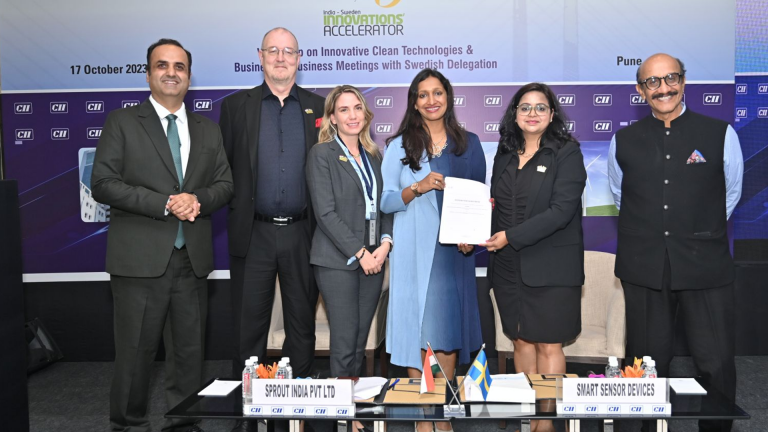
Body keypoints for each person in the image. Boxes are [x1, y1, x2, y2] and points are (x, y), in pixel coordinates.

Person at [91, 38, 234, 432]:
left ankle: (184, 423)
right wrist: (165, 202)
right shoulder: (122, 122)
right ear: (148, 74)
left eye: (179, 67)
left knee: (189, 355)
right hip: (138, 261)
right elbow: (102, 182)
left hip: (192, 260)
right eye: (162, 65)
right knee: (135, 355)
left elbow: (225, 185)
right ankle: (128, 425)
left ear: (189, 76)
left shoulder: (208, 129)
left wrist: (197, 199)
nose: (172, 73)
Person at [608, 53, 743, 432]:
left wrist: (697, 229)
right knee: (645, 363)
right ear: (640, 90)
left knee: (715, 362)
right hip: (644, 268)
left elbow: (730, 193)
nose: (663, 88)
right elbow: (621, 196)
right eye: (652, 82)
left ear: (683, 81)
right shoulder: (623, 140)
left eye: (670, 79)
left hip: (705, 265)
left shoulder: (721, 134)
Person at [218, 28, 325, 381]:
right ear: (260, 56)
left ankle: (296, 402)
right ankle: (250, 404)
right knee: (248, 330)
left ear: (299, 58)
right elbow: (222, 170)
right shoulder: (236, 107)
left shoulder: (319, 107)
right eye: (273, 50)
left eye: (288, 51)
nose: (281, 58)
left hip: (303, 233)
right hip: (254, 233)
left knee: (301, 328)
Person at [380, 68, 484, 432]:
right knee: (417, 334)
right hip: (412, 251)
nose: (431, 100)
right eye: (422, 94)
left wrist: (471, 235)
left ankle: (443, 416)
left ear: (448, 97)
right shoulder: (399, 146)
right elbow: (386, 202)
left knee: (447, 335)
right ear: (414, 102)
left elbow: (478, 198)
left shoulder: (468, 143)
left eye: (437, 92)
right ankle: (423, 419)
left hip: (453, 254)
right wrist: (418, 187)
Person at [482, 82, 586, 432]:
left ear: (552, 114)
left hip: (552, 266)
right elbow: (496, 206)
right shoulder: (505, 153)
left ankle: (547, 422)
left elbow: (561, 211)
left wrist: (510, 237)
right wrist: (474, 234)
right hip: (508, 267)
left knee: (549, 344)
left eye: (540, 107)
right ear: (514, 114)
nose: (532, 113)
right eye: (524, 107)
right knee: (520, 340)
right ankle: (529, 416)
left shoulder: (566, 153)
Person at [306, 85, 393, 378]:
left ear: (365, 114)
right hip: (337, 260)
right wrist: (359, 252)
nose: (352, 115)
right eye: (344, 109)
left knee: (358, 343)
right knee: (344, 344)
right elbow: (325, 213)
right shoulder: (322, 154)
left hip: (374, 259)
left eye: (357, 108)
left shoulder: (374, 156)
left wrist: (385, 244)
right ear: (332, 117)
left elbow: (385, 205)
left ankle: (352, 401)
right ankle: (342, 406)